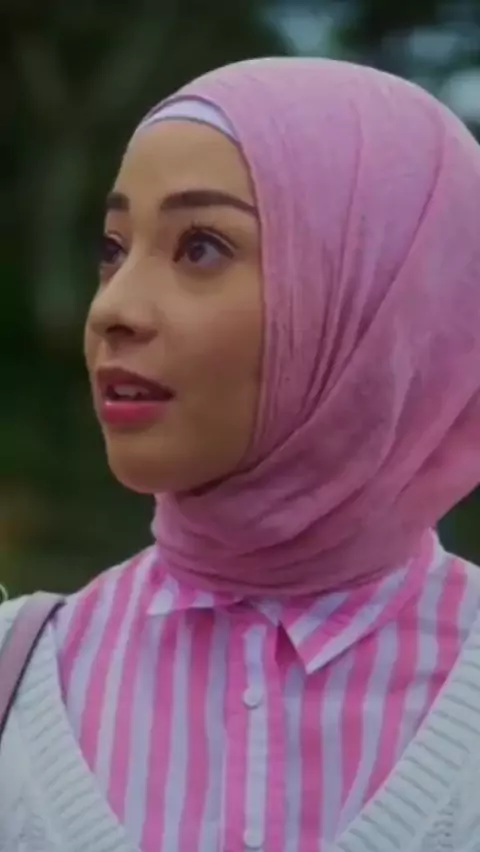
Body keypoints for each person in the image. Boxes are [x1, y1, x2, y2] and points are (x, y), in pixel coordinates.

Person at [1, 56, 480, 852]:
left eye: (200, 247)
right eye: (113, 248)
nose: (114, 308)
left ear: (377, 297)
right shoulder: (18, 679)